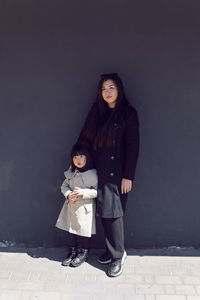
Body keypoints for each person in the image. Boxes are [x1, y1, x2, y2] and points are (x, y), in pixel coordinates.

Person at [78, 73, 139, 277]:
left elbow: (133, 147)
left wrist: (128, 176)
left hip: (118, 173)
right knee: (104, 212)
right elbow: (86, 137)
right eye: (104, 89)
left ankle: (117, 256)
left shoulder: (128, 114)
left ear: (119, 89)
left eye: (111, 87)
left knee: (114, 213)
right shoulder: (98, 111)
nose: (107, 92)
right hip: (98, 170)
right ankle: (112, 249)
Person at [56, 143, 98, 267]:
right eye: (75, 157)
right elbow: (64, 186)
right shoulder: (71, 173)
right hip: (71, 206)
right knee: (71, 231)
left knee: (84, 232)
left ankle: (83, 253)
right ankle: (72, 251)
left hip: (85, 208)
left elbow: (97, 191)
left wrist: (84, 192)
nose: (78, 160)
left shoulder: (92, 174)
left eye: (81, 157)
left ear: (87, 158)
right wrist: (68, 194)